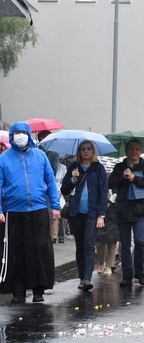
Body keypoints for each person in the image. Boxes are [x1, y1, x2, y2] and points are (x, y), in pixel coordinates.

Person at [0, 122, 61, 303]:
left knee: (39, 250)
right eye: (16, 132)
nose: (20, 135)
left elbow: (50, 182)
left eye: (23, 132)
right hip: (13, 212)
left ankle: (38, 290)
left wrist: (55, 206)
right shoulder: (4, 158)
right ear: (12, 136)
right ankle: (18, 291)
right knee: (16, 252)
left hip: (38, 209)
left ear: (29, 134)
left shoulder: (40, 156)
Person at [60, 140, 108, 291]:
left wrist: (101, 215)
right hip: (76, 213)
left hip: (92, 213)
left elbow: (103, 192)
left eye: (89, 149)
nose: (86, 151)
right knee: (79, 246)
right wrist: (73, 179)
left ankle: (87, 278)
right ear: (79, 152)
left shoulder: (98, 169)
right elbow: (65, 190)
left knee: (89, 245)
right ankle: (82, 277)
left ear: (93, 152)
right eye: (83, 149)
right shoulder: (74, 168)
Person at [108, 139, 144, 287]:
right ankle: (127, 274)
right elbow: (111, 183)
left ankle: (140, 273)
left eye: (137, 149)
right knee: (125, 244)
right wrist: (123, 177)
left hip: (139, 210)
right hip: (123, 210)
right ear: (127, 151)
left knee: (140, 242)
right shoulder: (120, 166)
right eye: (131, 149)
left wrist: (134, 179)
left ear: (140, 151)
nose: (134, 152)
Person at [96, 190, 119, 276]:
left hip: (114, 216)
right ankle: (101, 263)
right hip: (100, 215)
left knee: (112, 242)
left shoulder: (115, 184)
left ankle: (109, 266)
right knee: (99, 242)